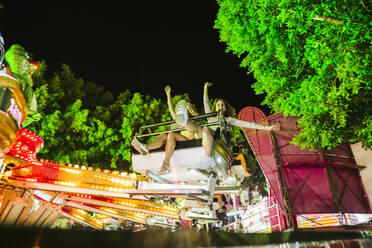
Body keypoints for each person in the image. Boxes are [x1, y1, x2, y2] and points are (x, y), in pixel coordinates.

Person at [174, 82, 279, 169]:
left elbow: (248, 124)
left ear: (225, 108)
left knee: (205, 129)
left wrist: (268, 128)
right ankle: (184, 121)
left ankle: (208, 157)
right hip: (207, 136)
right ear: (215, 107)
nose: (220, 106)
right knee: (198, 128)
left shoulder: (228, 120)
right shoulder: (211, 117)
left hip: (220, 139)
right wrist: (205, 87)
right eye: (218, 104)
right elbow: (205, 101)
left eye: (222, 105)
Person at [132, 85, 199, 172]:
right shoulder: (181, 118)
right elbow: (172, 111)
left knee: (171, 134)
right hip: (181, 139)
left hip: (190, 140)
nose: (186, 108)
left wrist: (193, 112)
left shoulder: (196, 119)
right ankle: (146, 147)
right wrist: (168, 95)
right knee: (163, 135)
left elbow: (197, 129)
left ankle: (166, 162)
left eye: (187, 107)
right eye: (185, 107)